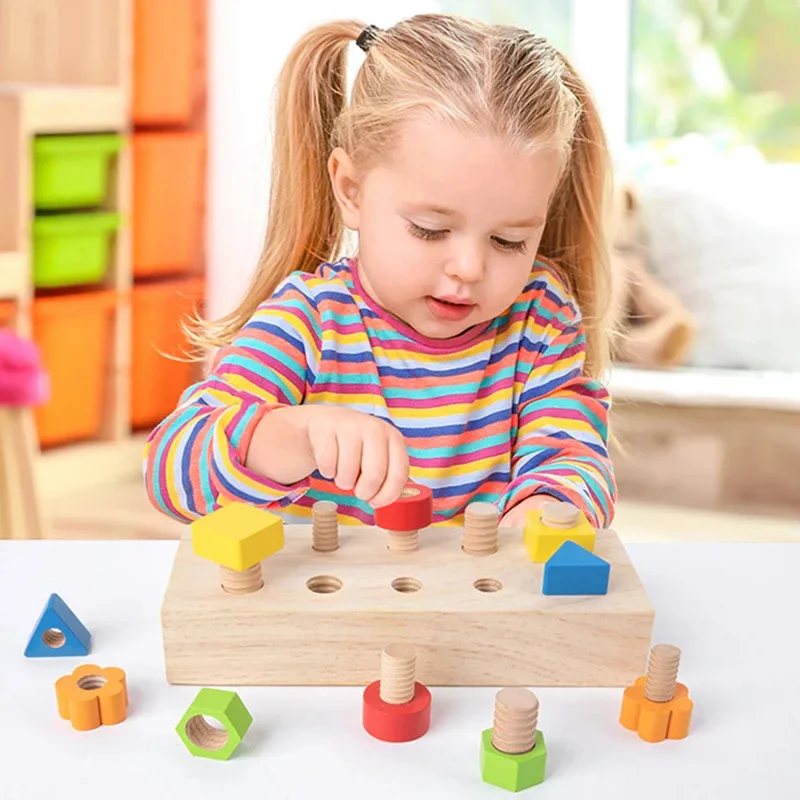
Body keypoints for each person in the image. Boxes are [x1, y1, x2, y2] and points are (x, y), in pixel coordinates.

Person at [143, 14, 617, 531]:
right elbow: (170, 470)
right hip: (324, 607)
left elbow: (574, 460)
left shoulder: (540, 320)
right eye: (430, 229)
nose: (469, 268)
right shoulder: (308, 322)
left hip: (472, 609)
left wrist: (548, 511)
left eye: (510, 241)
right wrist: (292, 435)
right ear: (351, 189)